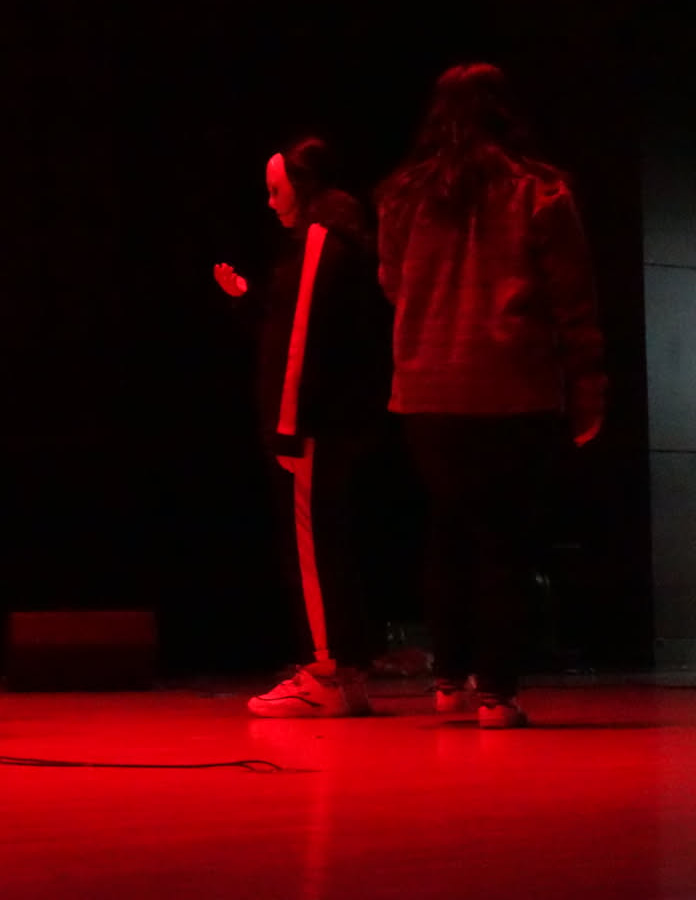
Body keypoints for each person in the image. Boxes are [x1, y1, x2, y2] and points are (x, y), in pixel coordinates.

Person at [376, 63, 605, 729]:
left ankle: (448, 678)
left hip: (425, 386)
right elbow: (573, 301)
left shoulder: (403, 195)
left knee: (447, 528)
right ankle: (497, 693)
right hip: (513, 385)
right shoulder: (541, 192)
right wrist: (588, 388)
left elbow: (392, 283)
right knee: (504, 539)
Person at [214, 138, 392, 718]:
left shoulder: (321, 239)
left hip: (311, 423)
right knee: (330, 544)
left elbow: (304, 338)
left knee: (312, 548)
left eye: (277, 190)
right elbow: (293, 325)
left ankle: (325, 671)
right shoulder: (331, 237)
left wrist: (289, 425)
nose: (270, 203)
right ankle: (347, 669)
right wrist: (248, 301)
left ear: (302, 184)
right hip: (324, 419)